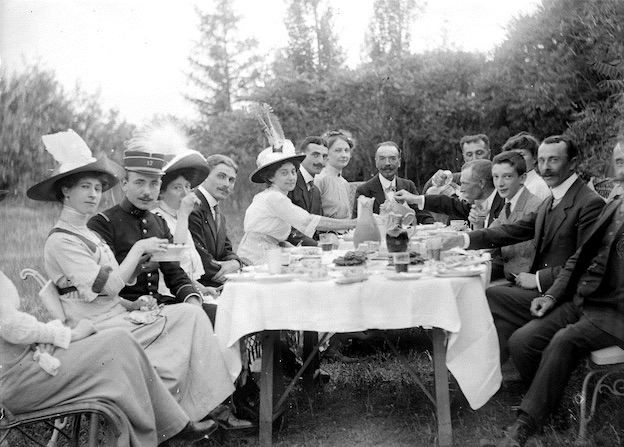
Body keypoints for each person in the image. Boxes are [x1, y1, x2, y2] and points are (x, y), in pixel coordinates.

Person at [26, 130, 236, 423]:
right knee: (185, 326)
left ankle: (191, 410)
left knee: (192, 315)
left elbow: (114, 292)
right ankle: (173, 417)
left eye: (97, 188)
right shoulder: (66, 239)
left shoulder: (85, 232)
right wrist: (138, 250)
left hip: (118, 313)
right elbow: (111, 286)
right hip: (94, 326)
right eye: (85, 187)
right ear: (65, 192)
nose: (93, 195)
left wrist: (134, 304)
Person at [430, 135, 605, 364]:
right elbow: (510, 231)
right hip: (543, 288)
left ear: (572, 163)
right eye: (541, 161)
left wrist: (539, 279)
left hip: (563, 295)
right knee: (505, 328)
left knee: (486, 297)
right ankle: (480, 384)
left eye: (553, 160)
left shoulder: (588, 202)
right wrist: (462, 239)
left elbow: (584, 263)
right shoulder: (551, 200)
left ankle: (458, 361)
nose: (545, 168)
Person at [496, 140, 624, 447]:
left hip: (616, 312)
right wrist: (551, 296)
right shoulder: (617, 197)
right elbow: (582, 256)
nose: (623, 168)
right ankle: (550, 413)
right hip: (587, 300)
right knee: (522, 340)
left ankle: (524, 427)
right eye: (619, 161)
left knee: (563, 340)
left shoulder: (593, 201)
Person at [0, 270, 219, 447]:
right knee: (117, 342)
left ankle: (167, 428)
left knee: (117, 345)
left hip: (27, 366)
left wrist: (54, 334)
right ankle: (168, 429)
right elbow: (10, 325)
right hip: (19, 381)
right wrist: (68, 334)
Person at [87, 142, 202, 305]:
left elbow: (174, 273)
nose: (147, 192)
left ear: (160, 185)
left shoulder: (159, 223)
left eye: (154, 183)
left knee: (215, 315)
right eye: (139, 183)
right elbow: (104, 288)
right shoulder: (102, 223)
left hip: (157, 303)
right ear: (124, 184)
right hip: (122, 308)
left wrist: (193, 300)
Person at [237, 142, 357, 264]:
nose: (291, 177)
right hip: (257, 256)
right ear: (270, 177)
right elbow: (308, 221)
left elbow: (276, 235)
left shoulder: (274, 195)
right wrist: (352, 223)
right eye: (284, 173)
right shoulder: (274, 198)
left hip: (270, 251)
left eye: (293, 172)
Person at [153, 149, 218, 297]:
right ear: (161, 192)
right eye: (177, 187)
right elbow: (173, 261)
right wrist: (183, 214)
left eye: (188, 186)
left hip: (187, 291)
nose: (185, 193)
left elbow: (184, 273)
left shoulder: (178, 218)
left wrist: (201, 288)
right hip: (167, 295)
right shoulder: (157, 218)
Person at [396, 159, 505, 228]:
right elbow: (447, 203)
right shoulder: (478, 202)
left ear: (481, 183)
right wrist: (414, 198)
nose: (461, 189)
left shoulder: (504, 205)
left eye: (464, 183)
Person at [189, 154, 245, 288]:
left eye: (231, 180)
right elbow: (201, 261)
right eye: (221, 176)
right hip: (199, 287)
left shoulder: (217, 212)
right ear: (204, 177)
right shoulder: (193, 208)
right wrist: (232, 273)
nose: (226, 184)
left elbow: (226, 250)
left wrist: (236, 263)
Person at [486, 151, 542, 281]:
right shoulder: (508, 204)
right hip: (508, 274)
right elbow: (490, 235)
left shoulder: (534, 206)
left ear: (522, 178)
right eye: (495, 177)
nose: (500, 183)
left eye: (507, 177)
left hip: (523, 279)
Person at [353, 141, 434, 225]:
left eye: (392, 158)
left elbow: (423, 216)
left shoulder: (408, 185)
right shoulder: (364, 190)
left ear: (399, 162)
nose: (387, 163)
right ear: (376, 162)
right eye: (382, 159)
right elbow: (357, 223)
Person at [286, 136, 327, 245]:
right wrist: (315, 245)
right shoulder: (289, 183)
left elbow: (319, 224)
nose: (321, 162)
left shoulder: (316, 191)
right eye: (315, 155)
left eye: (324, 156)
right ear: (301, 155)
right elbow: (287, 229)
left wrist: (330, 234)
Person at [422, 133, 492, 194]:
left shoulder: (497, 178)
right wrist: (437, 178)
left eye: (479, 153)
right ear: (464, 157)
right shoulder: (456, 180)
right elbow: (427, 191)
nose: (474, 158)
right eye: (469, 154)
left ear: (489, 154)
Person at [314, 129, 355, 219]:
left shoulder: (344, 183)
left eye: (346, 150)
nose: (344, 155)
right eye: (338, 150)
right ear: (326, 154)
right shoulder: (320, 179)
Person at [501, 132, 551, 201]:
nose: (516, 159)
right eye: (512, 155)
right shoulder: (510, 185)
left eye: (521, 155)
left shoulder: (537, 187)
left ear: (534, 158)